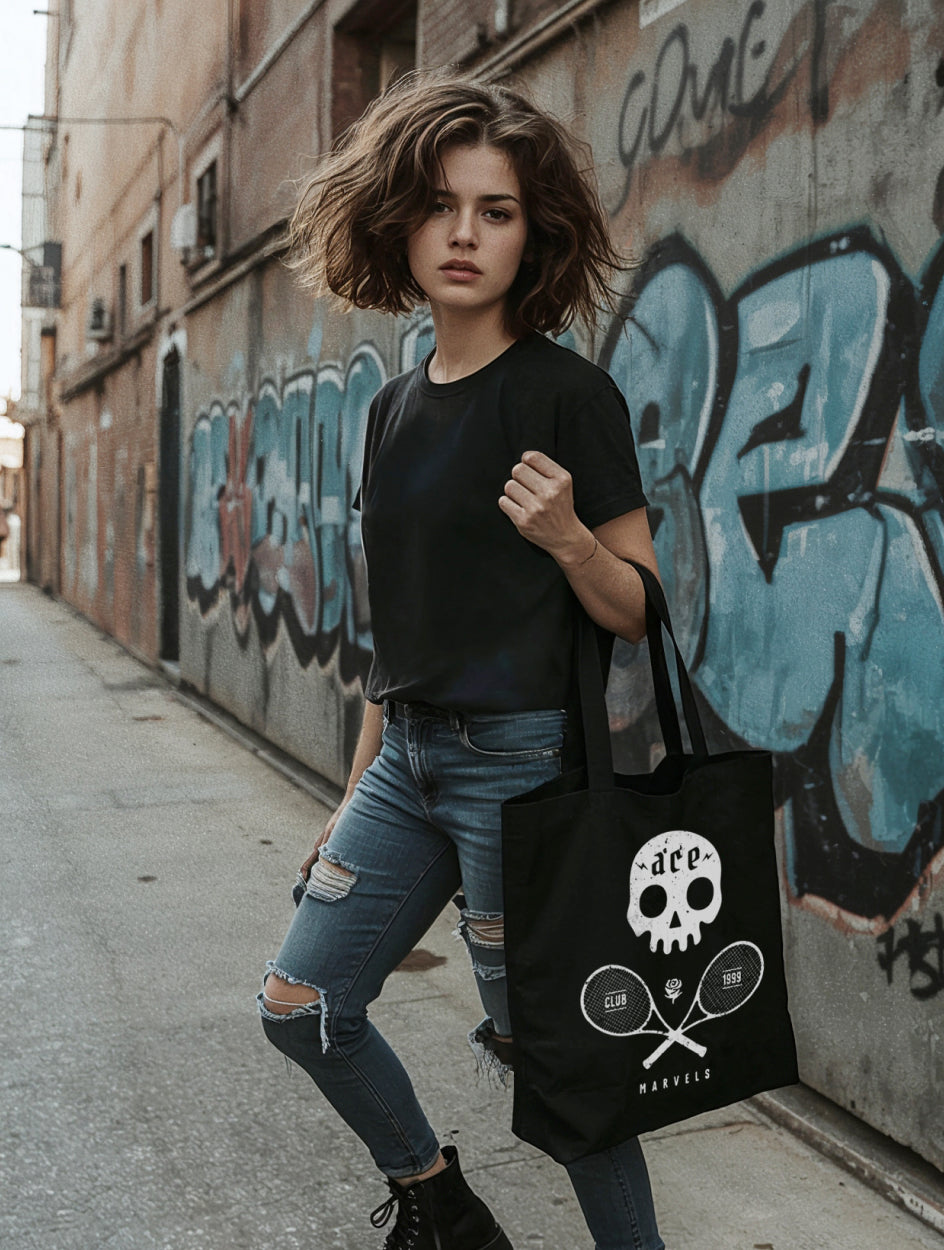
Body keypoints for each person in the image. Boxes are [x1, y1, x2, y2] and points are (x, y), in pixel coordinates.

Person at [258, 71, 664, 1250]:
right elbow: (395, 634)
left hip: (520, 771)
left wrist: (570, 539)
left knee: (554, 1060)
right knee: (300, 1003)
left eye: (496, 210)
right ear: (397, 220)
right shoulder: (389, 409)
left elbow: (639, 609)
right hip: (406, 761)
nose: (464, 233)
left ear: (534, 235)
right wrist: (351, 795)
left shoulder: (568, 396)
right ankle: (440, 1205)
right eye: (441, 205)